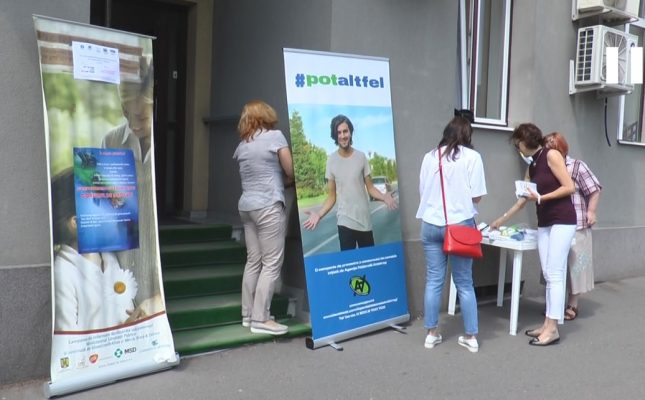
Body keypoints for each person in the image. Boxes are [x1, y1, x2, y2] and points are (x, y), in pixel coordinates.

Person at [491, 123, 576, 346]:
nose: (517, 148)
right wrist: (500, 220)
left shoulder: (551, 155)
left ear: (524, 141)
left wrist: (540, 198)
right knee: (548, 273)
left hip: (562, 220)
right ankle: (547, 324)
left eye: (517, 143)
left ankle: (553, 328)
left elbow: (569, 187)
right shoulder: (532, 166)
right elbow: (523, 199)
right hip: (545, 222)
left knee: (555, 274)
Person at [416, 114, 486, 353]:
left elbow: (423, 192)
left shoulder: (429, 157)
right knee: (464, 282)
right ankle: (471, 336)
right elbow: (477, 196)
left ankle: (431, 334)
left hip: (430, 223)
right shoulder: (472, 157)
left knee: (434, 279)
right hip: (459, 225)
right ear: (467, 135)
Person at [101, 57, 163, 319]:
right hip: (124, 261)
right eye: (127, 114)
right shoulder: (111, 140)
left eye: (141, 117)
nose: (133, 124)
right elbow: (104, 209)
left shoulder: (165, 141)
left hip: (156, 255)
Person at [234, 100, 294, 335]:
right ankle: (261, 319)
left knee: (253, 261)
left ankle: (248, 315)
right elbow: (290, 171)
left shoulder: (243, 145)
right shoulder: (275, 137)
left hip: (246, 207)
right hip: (268, 206)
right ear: (265, 115)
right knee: (271, 263)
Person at [51, 169, 138, 331]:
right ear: (76, 223)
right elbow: (68, 337)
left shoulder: (110, 257)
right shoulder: (63, 272)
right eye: (100, 204)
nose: (111, 210)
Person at [302, 114, 398, 250]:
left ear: (350, 132)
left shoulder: (361, 157)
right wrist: (319, 214)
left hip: (364, 222)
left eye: (345, 131)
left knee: (368, 260)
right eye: (339, 133)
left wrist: (384, 197)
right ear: (335, 135)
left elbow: (370, 188)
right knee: (349, 262)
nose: (342, 136)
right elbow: (331, 197)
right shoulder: (331, 161)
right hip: (344, 222)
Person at [544, 132, 602, 320]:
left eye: (552, 146)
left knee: (577, 266)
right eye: (546, 147)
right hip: (554, 222)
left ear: (561, 148)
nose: (549, 150)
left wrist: (591, 211)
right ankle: (554, 305)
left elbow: (594, 189)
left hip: (577, 223)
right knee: (555, 266)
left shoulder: (577, 166)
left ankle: (573, 304)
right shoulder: (546, 166)